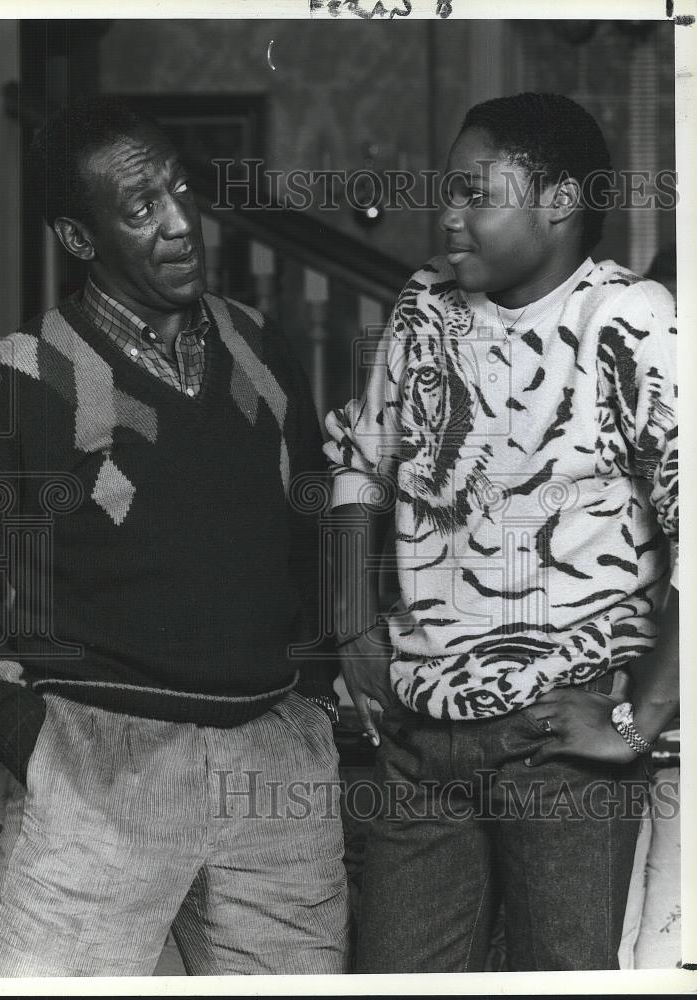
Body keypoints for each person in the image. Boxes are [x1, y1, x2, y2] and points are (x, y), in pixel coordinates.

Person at [0, 95, 349, 978]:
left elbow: (313, 532)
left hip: (274, 770)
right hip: (98, 767)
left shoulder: (258, 343)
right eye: (140, 208)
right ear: (79, 238)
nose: (181, 223)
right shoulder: (21, 377)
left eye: (179, 188)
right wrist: (26, 733)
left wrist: (315, 696)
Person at [325, 92, 678, 972]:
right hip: (416, 734)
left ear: (558, 201)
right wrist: (347, 619)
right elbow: (359, 465)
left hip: (557, 743)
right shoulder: (421, 307)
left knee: (561, 981)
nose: (446, 218)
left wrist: (638, 725)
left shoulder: (631, 321)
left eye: (474, 195)